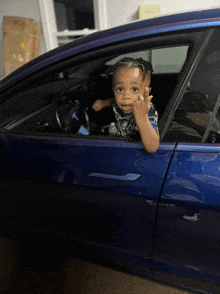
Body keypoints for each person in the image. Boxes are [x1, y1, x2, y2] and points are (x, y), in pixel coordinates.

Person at [92, 57, 159, 153]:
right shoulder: (124, 104)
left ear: (146, 92)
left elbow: (152, 147)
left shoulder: (146, 112)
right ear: (113, 90)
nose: (126, 96)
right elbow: (114, 102)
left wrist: (141, 118)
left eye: (134, 89)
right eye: (120, 89)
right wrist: (104, 103)